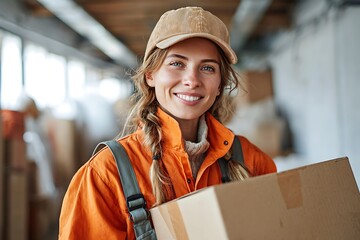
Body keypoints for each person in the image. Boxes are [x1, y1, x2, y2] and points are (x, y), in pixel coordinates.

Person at [59, 6, 277, 239]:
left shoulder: (251, 161)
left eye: (207, 68)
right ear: (150, 74)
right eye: (177, 63)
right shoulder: (105, 175)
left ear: (220, 84)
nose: (192, 80)